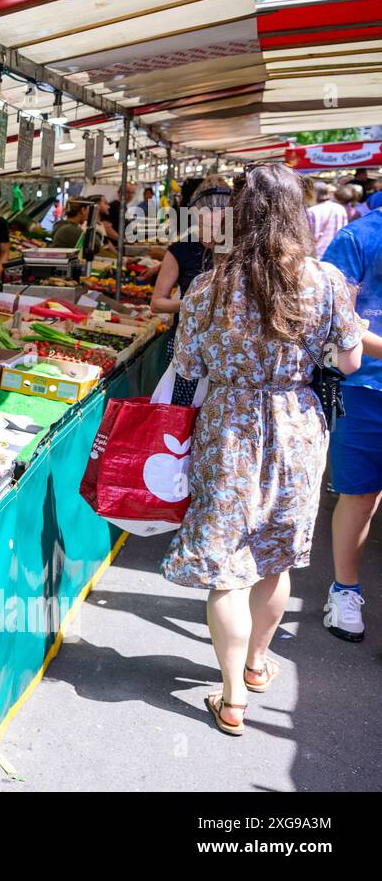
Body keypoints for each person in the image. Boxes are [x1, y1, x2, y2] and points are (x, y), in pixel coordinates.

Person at [160, 162, 363, 737]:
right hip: (296, 427)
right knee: (273, 559)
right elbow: (347, 360)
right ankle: (255, 666)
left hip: (227, 425)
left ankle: (230, 699)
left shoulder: (210, 285)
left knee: (227, 567)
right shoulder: (324, 281)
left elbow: (189, 366)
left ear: (240, 216)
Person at [321, 207, 382, 642]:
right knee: (359, 495)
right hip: (363, 390)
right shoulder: (358, 238)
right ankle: (345, 589)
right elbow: (333, 318)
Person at [150, 177, 231, 404]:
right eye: (211, 210)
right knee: (180, 420)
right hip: (187, 348)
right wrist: (195, 303)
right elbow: (157, 303)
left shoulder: (240, 250)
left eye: (224, 210)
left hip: (227, 353)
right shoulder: (181, 250)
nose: (217, 217)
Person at [306, 181, 348, 256]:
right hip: (338, 252)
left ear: (313, 194)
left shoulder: (312, 211)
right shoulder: (340, 208)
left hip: (319, 254)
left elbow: (309, 237)